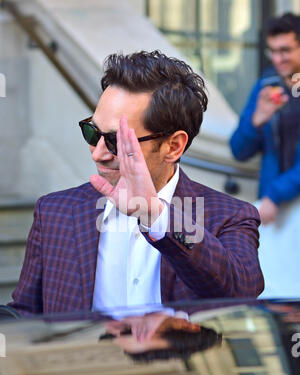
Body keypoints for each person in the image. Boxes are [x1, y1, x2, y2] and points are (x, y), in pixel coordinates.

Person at [8, 50, 264, 316]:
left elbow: (241, 294)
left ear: (173, 146)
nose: (97, 153)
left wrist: (155, 215)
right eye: (92, 132)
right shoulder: (54, 212)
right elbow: (26, 316)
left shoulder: (230, 216)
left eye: (116, 141)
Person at [230, 13, 300, 225]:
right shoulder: (266, 85)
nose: (277, 59)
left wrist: (275, 194)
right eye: (273, 51)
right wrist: (256, 121)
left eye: (285, 51)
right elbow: (238, 151)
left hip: (276, 200)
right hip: (277, 213)